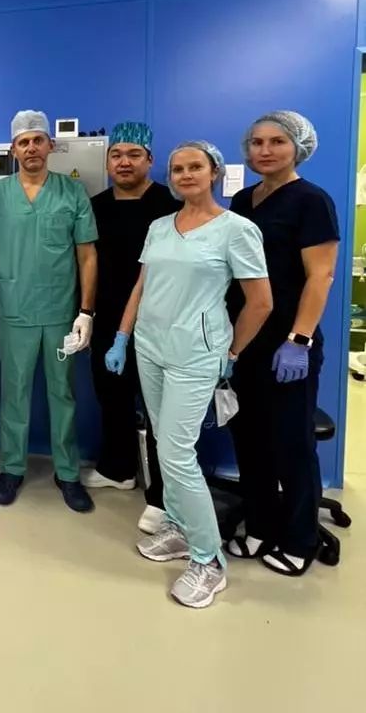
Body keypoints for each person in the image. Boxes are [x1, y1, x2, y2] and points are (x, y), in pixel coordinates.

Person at [105, 140, 272, 608]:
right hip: (151, 348)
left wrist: (232, 351)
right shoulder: (160, 226)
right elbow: (142, 285)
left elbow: (261, 303)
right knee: (164, 441)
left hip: (195, 354)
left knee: (177, 453)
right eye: (178, 169)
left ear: (213, 172)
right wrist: (122, 337)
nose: (185, 175)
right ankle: (179, 526)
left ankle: (209, 559)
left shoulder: (236, 230)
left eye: (195, 167)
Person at [226, 112, 339, 576]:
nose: (265, 150)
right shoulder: (242, 200)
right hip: (245, 338)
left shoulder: (311, 201)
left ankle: (299, 539)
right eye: (256, 142)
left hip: (288, 343)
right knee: (249, 438)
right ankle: (259, 524)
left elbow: (321, 276)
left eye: (277, 142)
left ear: (299, 148)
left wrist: (299, 339)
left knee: (291, 443)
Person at [0, 110, 98, 513]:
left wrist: (86, 311)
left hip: (61, 312)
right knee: (13, 393)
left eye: (37, 140)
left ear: (50, 145)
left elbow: (87, 254)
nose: (31, 148)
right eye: (23, 142)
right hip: (14, 312)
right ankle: (12, 468)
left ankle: (67, 473)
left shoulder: (72, 192)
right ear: (13, 150)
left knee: (63, 394)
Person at [85, 121, 180, 534]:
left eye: (134, 155)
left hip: (159, 321)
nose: (124, 162)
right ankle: (117, 469)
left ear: (150, 160)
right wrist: (85, 313)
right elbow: (86, 262)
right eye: (117, 155)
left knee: (161, 412)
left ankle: (162, 495)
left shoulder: (170, 205)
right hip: (108, 318)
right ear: (107, 162)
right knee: (112, 397)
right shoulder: (97, 205)